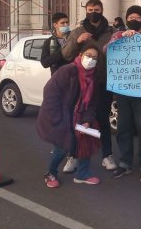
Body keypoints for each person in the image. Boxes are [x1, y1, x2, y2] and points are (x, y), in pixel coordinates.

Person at [36, 41, 103, 188]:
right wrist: (58, 119)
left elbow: (92, 102)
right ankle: (51, 173)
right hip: (61, 116)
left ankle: (82, 174)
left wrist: (87, 120)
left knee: (86, 142)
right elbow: (50, 94)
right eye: (88, 55)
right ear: (80, 55)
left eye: (95, 58)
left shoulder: (94, 76)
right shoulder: (67, 71)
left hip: (80, 116)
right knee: (62, 148)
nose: (91, 59)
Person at [62, 0, 116, 172]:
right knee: (78, 120)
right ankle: (74, 155)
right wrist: (77, 41)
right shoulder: (78, 31)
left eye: (97, 9)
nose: (94, 12)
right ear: (86, 11)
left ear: (102, 10)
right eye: (90, 9)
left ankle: (106, 155)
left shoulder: (111, 31)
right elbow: (66, 54)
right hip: (82, 84)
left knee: (102, 119)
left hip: (104, 83)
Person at [108, 5, 141, 183]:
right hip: (123, 90)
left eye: (138, 17)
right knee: (123, 129)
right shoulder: (117, 36)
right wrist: (121, 37)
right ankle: (125, 162)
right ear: (126, 18)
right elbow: (106, 51)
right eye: (131, 16)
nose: (134, 20)